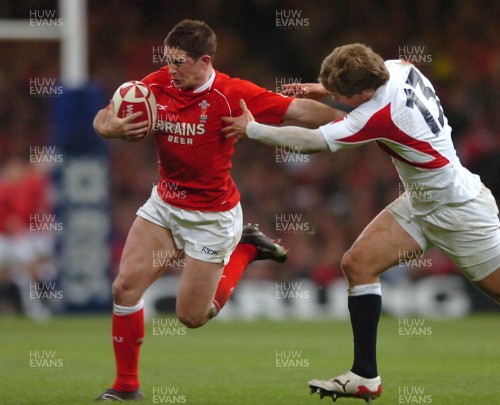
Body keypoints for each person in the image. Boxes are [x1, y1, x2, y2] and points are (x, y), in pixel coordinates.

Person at [222, 43, 500, 403]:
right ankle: (365, 376)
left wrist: (252, 129)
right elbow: (360, 92)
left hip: (458, 209)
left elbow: (312, 143)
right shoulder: (398, 67)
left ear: (362, 91)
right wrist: (326, 89)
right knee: (358, 264)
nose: (339, 99)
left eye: (343, 93)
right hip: (422, 202)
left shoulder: (378, 115)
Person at [92, 20, 344, 401]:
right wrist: (109, 127)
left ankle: (246, 250)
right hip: (165, 204)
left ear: (204, 60)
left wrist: (348, 122)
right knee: (124, 287)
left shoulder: (231, 93)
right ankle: (126, 387)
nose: (170, 69)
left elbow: (297, 111)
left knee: (191, 317)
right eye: (167, 60)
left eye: (178, 62)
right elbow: (102, 116)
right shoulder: (157, 83)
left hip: (211, 218)